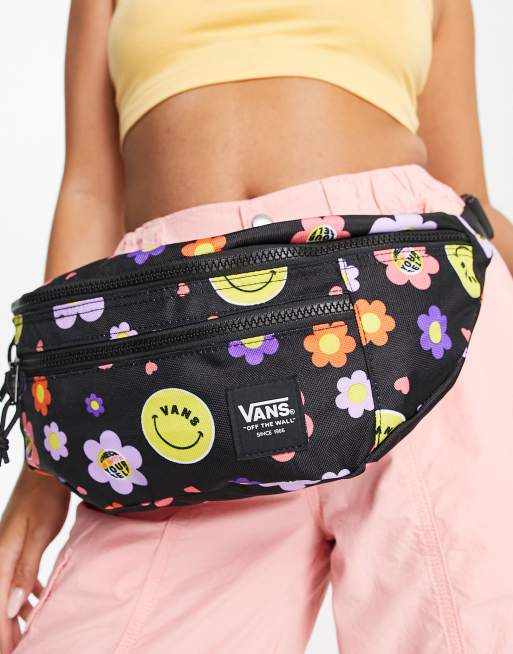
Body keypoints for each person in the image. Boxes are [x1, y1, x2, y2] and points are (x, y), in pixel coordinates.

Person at [1, 1, 512, 653]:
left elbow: (467, 198)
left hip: (416, 323)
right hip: (175, 351)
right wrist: (42, 470)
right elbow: (91, 193)